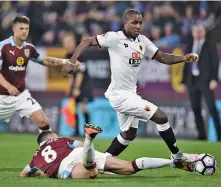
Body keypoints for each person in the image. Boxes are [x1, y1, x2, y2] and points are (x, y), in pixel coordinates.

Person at [61, 9, 199, 162]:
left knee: (129, 134)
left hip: (130, 95)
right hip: (120, 95)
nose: (138, 26)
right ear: (125, 22)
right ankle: (177, 155)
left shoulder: (142, 41)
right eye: (134, 22)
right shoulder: (114, 38)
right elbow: (87, 41)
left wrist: (183, 58)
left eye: (140, 23)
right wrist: (71, 61)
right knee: (161, 117)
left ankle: (101, 162)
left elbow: (162, 56)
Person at [0, 16, 80, 168]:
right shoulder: (3, 47)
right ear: (14, 29)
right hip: (1, 97)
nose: (24, 32)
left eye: (26, 29)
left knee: (44, 122)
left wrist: (66, 61)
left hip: (21, 95)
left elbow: (45, 61)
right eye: (21, 29)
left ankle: (51, 156)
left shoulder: (28, 48)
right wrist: (8, 86)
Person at [20, 123, 195, 179]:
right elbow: (80, 147)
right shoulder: (62, 140)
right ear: (51, 136)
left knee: (92, 172)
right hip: (78, 153)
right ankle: (172, 162)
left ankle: (90, 144)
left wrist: (41, 173)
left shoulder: (36, 157)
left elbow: (24, 174)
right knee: (129, 168)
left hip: (65, 166)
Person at [180, 24, 221, 141]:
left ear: (203, 32)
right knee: (195, 108)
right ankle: (201, 135)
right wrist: (184, 81)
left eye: (200, 31)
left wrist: (214, 79)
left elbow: (215, 63)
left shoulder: (210, 45)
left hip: (206, 81)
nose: (197, 33)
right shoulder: (190, 45)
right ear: (193, 33)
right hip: (193, 81)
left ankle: (219, 136)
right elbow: (185, 63)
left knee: (211, 108)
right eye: (195, 31)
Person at [63, 33, 93, 136]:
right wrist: (69, 87)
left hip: (84, 85)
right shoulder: (67, 56)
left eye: (69, 42)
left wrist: (76, 88)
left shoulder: (80, 54)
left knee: (83, 107)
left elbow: (81, 72)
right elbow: (71, 74)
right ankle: (75, 131)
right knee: (74, 108)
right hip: (75, 84)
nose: (67, 44)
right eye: (65, 42)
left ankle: (88, 131)